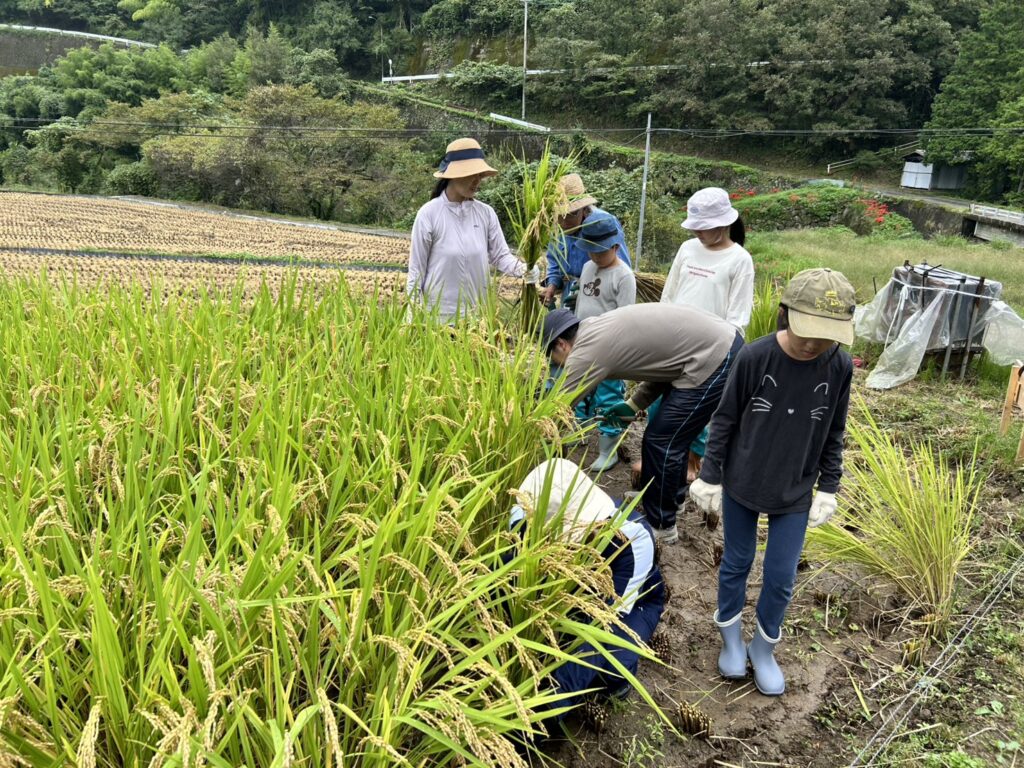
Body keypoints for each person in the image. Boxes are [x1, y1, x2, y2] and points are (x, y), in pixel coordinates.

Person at [688, 268, 856, 696]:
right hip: (744, 480)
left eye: (826, 334)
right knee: (737, 563)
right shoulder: (756, 357)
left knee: (781, 575)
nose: (815, 343)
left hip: (796, 488)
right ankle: (730, 638)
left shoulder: (837, 365)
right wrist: (710, 476)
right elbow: (724, 419)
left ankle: (763, 648)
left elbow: (834, 430)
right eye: (807, 332)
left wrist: (829, 487)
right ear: (785, 314)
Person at [541, 303, 743, 544]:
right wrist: (634, 404)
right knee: (669, 436)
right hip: (707, 350)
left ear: (561, 344)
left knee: (663, 440)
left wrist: (538, 443)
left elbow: (557, 410)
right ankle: (667, 500)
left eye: (552, 358)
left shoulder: (586, 350)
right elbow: (665, 366)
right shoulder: (596, 329)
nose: (557, 366)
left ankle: (662, 526)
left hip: (716, 357)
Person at [509, 458, 664, 714]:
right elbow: (510, 587)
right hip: (566, 595)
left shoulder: (631, 540)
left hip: (624, 607)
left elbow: (602, 630)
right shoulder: (524, 513)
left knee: (612, 669)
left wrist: (548, 704)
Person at [634, 187, 756, 508]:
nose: (699, 232)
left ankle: (674, 495)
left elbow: (737, 320)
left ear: (725, 223)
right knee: (658, 421)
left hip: (708, 358)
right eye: (696, 226)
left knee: (685, 430)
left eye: (705, 226)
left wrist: (722, 364)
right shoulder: (688, 249)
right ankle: (654, 489)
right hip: (672, 349)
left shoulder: (739, 260)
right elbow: (669, 298)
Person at [407, 137, 539, 322]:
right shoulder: (429, 214)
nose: (477, 181)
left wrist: (524, 269)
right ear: (453, 175)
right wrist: (411, 318)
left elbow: (500, 256)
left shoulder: (485, 213)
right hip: (438, 319)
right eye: (471, 174)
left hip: (478, 318)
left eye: (479, 175)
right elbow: (416, 271)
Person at [572, 211, 637, 472]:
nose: (595, 257)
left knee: (607, 396)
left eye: (600, 252)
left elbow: (626, 319)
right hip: (583, 342)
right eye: (590, 250)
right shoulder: (588, 267)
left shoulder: (623, 277)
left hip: (610, 349)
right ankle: (578, 434)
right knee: (580, 392)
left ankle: (607, 450)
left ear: (615, 246)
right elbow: (582, 304)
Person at [540, 174, 631, 309]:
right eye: (559, 215)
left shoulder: (603, 224)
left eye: (570, 214)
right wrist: (552, 286)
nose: (564, 222)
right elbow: (554, 262)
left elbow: (620, 268)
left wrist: (586, 293)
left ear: (583, 208)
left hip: (600, 298)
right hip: (569, 296)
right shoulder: (557, 228)